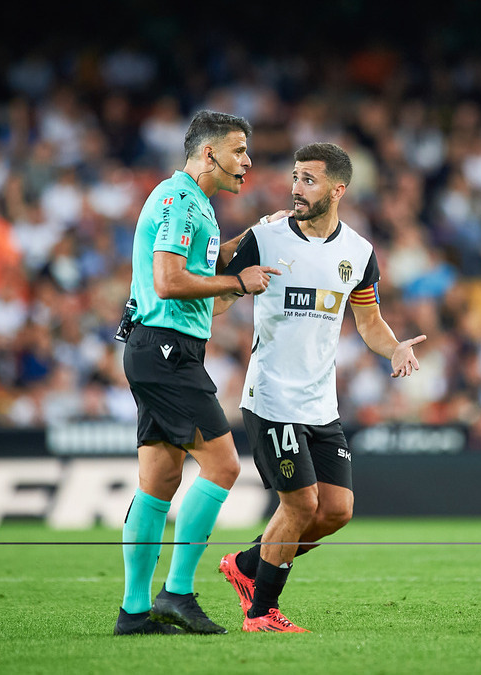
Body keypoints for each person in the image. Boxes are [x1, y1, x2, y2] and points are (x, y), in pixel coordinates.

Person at [217, 142, 426, 633]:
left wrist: (395, 347)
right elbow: (218, 297)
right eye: (294, 177)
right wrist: (233, 283)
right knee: (301, 504)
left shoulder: (359, 252)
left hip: (320, 404)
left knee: (336, 510)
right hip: (271, 397)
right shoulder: (265, 238)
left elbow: (370, 321)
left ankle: (247, 566)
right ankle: (260, 611)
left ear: (338, 189)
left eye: (308, 180)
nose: (295, 188)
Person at [113, 110, 283, 636]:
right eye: (238, 150)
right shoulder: (179, 200)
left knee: (159, 480)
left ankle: (134, 612)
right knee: (225, 465)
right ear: (209, 153)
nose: (247, 161)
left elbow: (201, 276)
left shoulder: (197, 207)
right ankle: (178, 593)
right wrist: (238, 278)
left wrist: (249, 241)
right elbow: (168, 281)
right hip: (165, 351)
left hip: (160, 349)